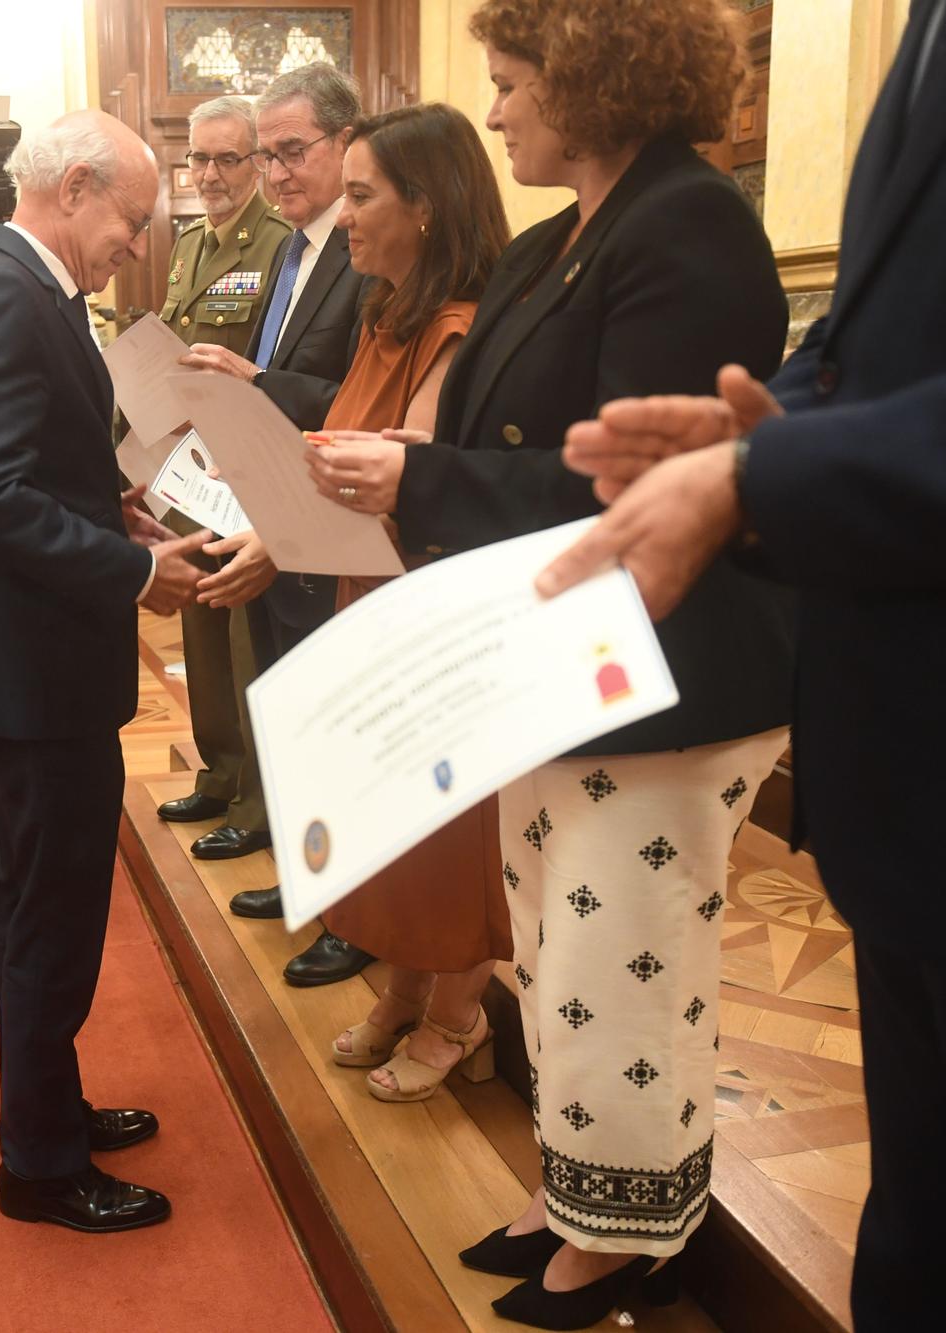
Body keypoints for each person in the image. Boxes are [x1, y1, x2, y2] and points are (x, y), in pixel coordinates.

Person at [530, 2, 946, 1326]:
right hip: (932, 806)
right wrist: (769, 427)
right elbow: (893, 341)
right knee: (927, 1264)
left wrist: (779, 471)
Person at [308, 3, 793, 1323]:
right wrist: (417, 466)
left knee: (624, 954)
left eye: (513, 82)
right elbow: (489, 436)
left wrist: (422, 473)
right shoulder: (554, 240)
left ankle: (630, 1232)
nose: (500, 109)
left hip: (663, 672)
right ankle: (573, 1195)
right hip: (558, 658)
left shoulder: (687, 222)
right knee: (555, 950)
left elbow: (641, 476)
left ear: (593, 79)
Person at [0, 109, 213, 1233]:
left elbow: (26, 461)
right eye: (131, 220)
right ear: (77, 186)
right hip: (30, 675)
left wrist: (110, 500)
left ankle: (52, 1104)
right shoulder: (3, 290)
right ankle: (37, 1164)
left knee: (58, 911)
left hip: (36, 664)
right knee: (47, 922)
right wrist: (134, 571)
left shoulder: (17, 285)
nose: (134, 244)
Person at [289, 102, 516, 1104]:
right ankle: (402, 991)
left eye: (360, 193)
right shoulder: (385, 317)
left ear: (424, 206)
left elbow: (405, 461)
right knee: (388, 815)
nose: (342, 216)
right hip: (365, 589)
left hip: (429, 605)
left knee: (447, 823)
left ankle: (455, 1014)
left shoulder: (461, 326)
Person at [183, 60, 378, 988]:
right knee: (289, 702)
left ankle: (356, 909)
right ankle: (314, 883)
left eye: (292, 151)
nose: (275, 173)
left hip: (332, 510)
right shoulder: (296, 250)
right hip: (266, 497)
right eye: (267, 157)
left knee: (333, 711)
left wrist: (259, 386)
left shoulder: (363, 247)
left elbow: (364, 397)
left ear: (347, 142)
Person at [150, 95, 293, 878]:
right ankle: (220, 773)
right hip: (190, 469)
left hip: (247, 467)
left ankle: (259, 804)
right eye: (198, 159)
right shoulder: (190, 245)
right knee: (201, 630)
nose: (208, 174)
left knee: (245, 643)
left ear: (257, 166)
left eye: (226, 159)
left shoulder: (277, 246)